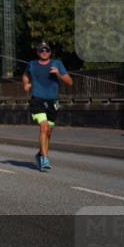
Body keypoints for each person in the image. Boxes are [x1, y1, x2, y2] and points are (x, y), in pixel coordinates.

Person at [22, 42, 73, 172]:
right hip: (37, 100)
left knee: (48, 132)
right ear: (37, 52)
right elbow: (25, 75)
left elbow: (70, 82)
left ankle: (40, 154)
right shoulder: (31, 64)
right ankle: (44, 159)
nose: (44, 52)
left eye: (47, 50)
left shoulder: (57, 63)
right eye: (41, 50)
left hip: (53, 101)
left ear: (50, 52)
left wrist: (58, 74)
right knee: (44, 127)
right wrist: (26, 84)